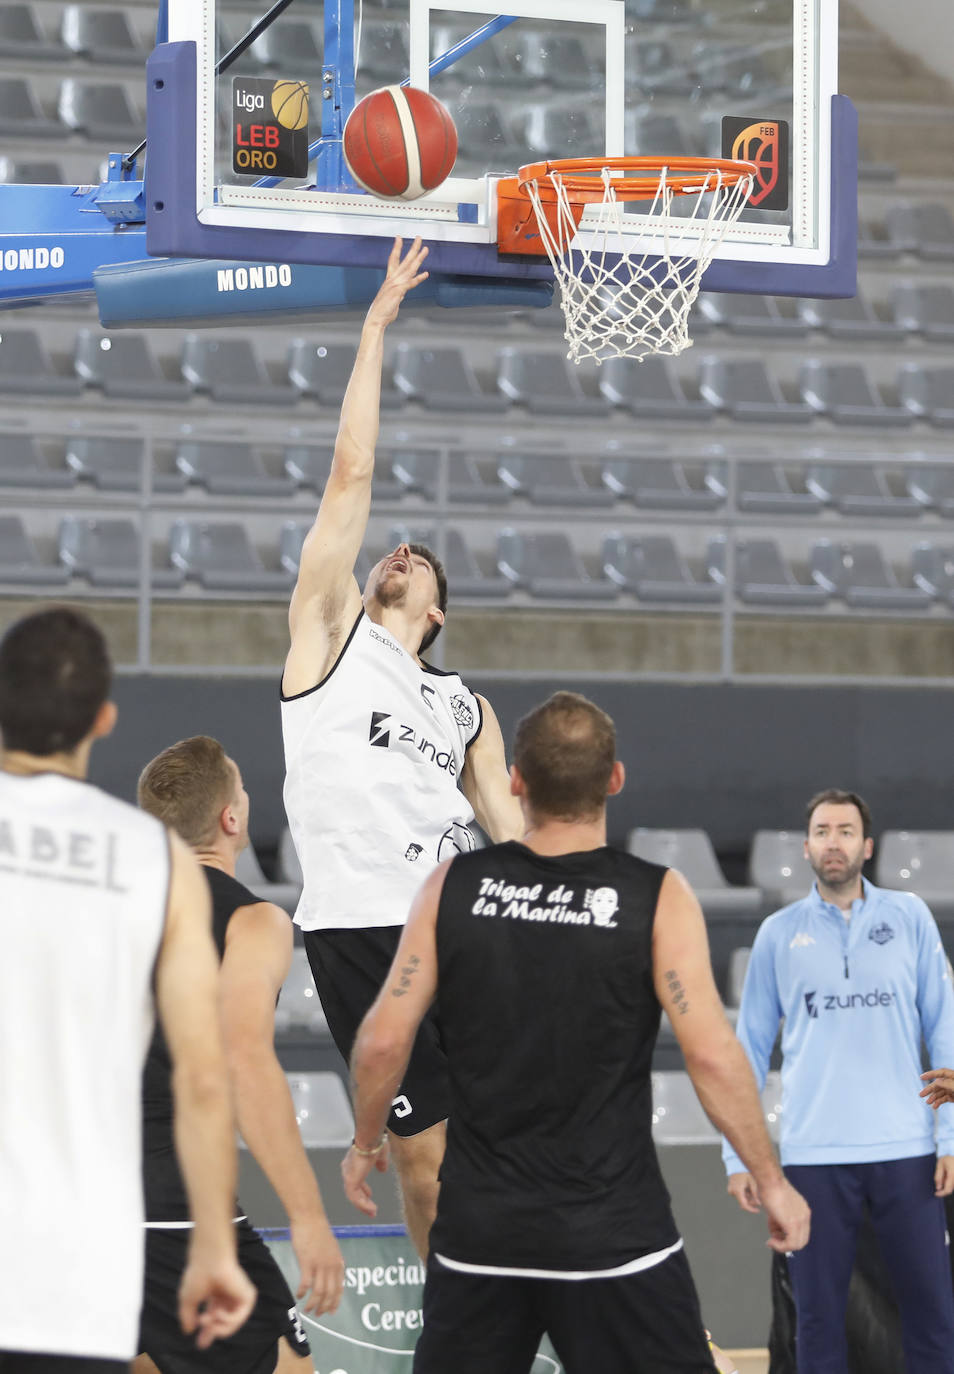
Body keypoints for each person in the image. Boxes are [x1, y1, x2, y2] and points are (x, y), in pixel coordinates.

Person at [342, 691, 810, 1374]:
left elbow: (383, 1041)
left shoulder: (452, 885)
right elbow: (712, 1055)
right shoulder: (657, 895)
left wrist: (363, 1142)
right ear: (615, 779)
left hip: (482, 1237)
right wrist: (771, 1181)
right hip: (615, 1237)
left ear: (517, 782)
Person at [282, 235, 523, 1259]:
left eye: (415, 561)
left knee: (503, 1145)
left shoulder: (463, 706)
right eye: (393, 553)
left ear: (435, 608)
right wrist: (374, 326)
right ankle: (457, 1322)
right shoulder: (328, 640)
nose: (396, 555)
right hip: (355, 932)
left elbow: (514, 832)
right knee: (424, 1164)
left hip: (454, 929)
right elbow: (350, 474)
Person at [0, 608, 255, 1373]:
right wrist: (213, 1241)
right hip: (78, 1273)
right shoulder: (159, 863)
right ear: (106, 719)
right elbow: (204, 1079)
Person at [724, 787, 954, 1374]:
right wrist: (738, 1156)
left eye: (845, 831)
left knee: (933, 1316)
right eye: (823, 831)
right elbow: (746, 1051)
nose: (834, 842)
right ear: (806, 847)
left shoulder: (909, 918)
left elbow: (945, 1030)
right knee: (818, 1322)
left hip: (907, 1151)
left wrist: (948, 1134)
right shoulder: (777, 933)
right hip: (813, 1158)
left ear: (866, 846)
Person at [134, 735, 345, 1374]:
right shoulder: (251, 921)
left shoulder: (95, 915)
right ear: (232, 817)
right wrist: (308, 1218)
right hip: (172, 1210)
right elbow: (244, 1059)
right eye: (243, 790)